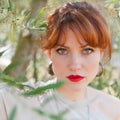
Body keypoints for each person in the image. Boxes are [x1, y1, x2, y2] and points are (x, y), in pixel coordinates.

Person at [40, 1, 120, 120]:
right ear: (49, 53)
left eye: (87, 50)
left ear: (100, 54)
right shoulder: (14, 102)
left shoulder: (114, 110)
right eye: (62, 50)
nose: (75, 65)